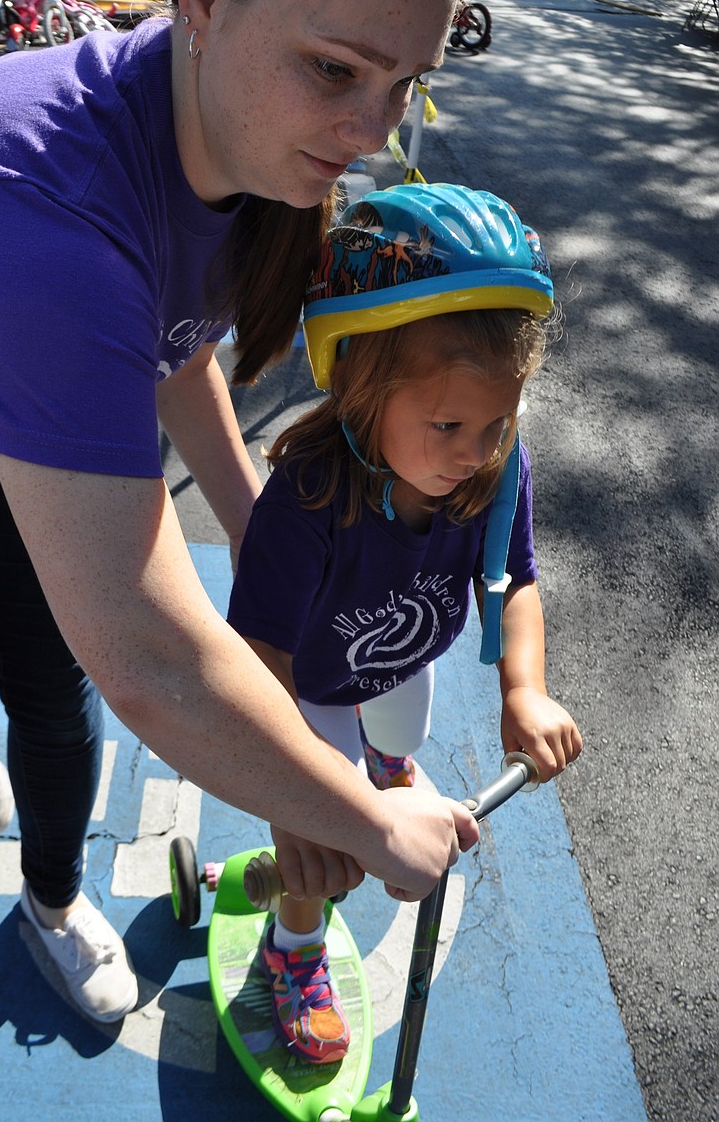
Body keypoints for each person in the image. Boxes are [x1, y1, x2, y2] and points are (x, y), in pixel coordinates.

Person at [0, 0, 480, 1025]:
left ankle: (52, 900)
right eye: (338, 67)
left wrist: (261, 537)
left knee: (51, 686)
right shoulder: (27, 206)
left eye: (408, 82)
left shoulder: (243, 133)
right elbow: (148, 654)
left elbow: (172, 337)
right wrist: (362, 818)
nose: (372, 127)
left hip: (20, 419)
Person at [227, 183, 584, 1064]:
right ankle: (294, 946)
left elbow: (518, 581)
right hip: (306, 684)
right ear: (359, 382)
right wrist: (307, 799)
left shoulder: (494, 471)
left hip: (398, 656)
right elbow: (257, 656)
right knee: (317, 839)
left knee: (400, 734)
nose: (476, 450)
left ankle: (384, 760)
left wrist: (524, 688)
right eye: (450, 424)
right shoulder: (306, 495)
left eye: (499, 421)